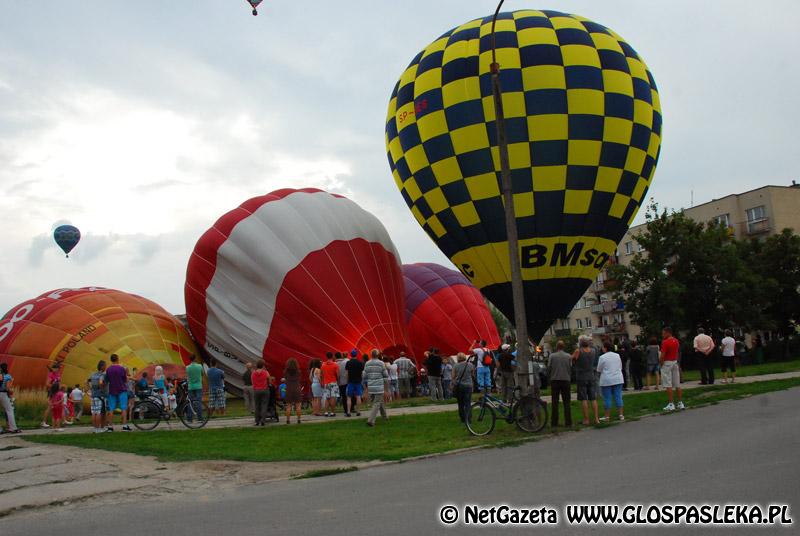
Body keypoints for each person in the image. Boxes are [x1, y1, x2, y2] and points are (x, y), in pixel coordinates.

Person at [572, 336, 599, 425]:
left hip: (581, 377)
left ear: (580, 343)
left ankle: (586, 420)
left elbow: (572, 359)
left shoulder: (578, 351)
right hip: (591, 376)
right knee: (593, 398)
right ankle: (596, 419)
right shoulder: (593, 351)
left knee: (584, 399)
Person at [596, 340, 624, 422]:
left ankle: (607, 417)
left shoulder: (602, 357)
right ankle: (621, 415)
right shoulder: (617, 355)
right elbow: (620, 366)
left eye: (603, 347)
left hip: (607, 379)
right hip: (618, 378)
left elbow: (599, 369)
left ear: (605, 348)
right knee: (618, 396)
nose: (602, 348)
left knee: (607, 398)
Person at [547, 340, 573, 428]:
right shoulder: (568, 356)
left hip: (555, 380)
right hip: (566, 380)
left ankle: (554, 423)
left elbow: (549, 367)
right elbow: (570, 367)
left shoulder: (552, 356)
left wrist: (550, 376)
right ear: (564, 347)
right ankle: (568, 422)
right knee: (567, 402)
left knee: (555, 402)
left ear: (556, 347)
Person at [660, 327, 685, 411]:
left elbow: (663, 355)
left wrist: (661, 363)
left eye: (663, 333)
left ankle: (671, 404)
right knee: (677, 384)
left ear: (668, 333)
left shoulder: (665, 342)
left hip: (667, 363)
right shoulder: (676, 341)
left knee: (668, 384)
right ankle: (680, 403)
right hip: (675, 362)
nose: (662, 335)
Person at [105, 354, 131, 431]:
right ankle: (125, 426)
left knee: (111, 408)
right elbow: (125, 380)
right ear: (117, 359)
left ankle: (110, 427)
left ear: (111, 360)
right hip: (122, 389)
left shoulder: (108, 369)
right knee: (123, 408)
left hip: (112, 390)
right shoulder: (121, 369)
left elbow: (107, 380)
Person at [364, 349, 388, 427]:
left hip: (371, 386)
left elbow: (364, 375)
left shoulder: (367, 363)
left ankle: (385, 417)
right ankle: (371, 420)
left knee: (379, 401)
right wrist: (386, 388)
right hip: (379, 386)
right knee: (377, 403)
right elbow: (385, 375)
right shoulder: (381, 363)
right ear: (378, 355)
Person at [452, 352, 474, 423]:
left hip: (459, 386)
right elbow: (472, 374)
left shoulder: (455, 366)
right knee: (468, 402)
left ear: (458, 358)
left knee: (460, 403)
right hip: (468, 385)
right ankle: (469, 418)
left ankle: (462, 419)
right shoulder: (470, 365)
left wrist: (454, 383)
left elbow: (453, 376)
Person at [0, 363, 21, 434]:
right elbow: (7, 388)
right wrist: (11, 392)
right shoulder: (8, 376)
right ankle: (13, 428)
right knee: (9, 410)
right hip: (3, 394)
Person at [40, 361, 62, 428]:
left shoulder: (58, 374)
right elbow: (47, 384)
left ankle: (55, 422)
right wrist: (54, 386)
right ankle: (43, 422)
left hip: (56, 392)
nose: (56, 369)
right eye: (55, 368)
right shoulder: (51, 375)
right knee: (49, 407)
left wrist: (59, 388)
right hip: (51, 392)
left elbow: (59, 382)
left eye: (57, 368)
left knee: (55, 407)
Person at [185, 354, 205, 422]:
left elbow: (187, 376)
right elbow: (202, 374)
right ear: (195, 359)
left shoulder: (187, 367)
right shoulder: (199, 366)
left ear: (190, 359)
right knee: (199, 402)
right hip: (198, 386)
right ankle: (200, 418)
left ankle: (189, 419)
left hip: (191, 386)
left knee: (190, 403)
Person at [88, 360, 108, 433]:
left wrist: (90, 389)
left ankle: (95, 428)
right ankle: (99, 429)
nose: (106, 367)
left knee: (94, 412)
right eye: (105, 365)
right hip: (100, 395)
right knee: (100, 412)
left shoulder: (93, 374)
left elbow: (86, 381)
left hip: (93, 395)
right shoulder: (102, 375)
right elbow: (100, 382)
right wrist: (102, 389)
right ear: (102, 366)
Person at [345, 351, 364, 417]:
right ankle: (358, 411)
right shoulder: (360, 363)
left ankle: (348, 412)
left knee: (349, 397)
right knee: (358, 396)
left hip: (350, 382)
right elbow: (361, 373)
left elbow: (347, 373)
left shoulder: (348, 363)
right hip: (358, 382)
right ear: (356, 355)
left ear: (351, 355)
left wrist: (347, 381)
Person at [283, 358, 302, 424]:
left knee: (288, 406)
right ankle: (299, 420)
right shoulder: (298, 372)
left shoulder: (285, 372)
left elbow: (285, 379)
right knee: (298, 405)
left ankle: (288, 420)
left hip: (288, 389)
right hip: (297, 388)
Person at [320, 352, 340, 417]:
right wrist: (338, 381)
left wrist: (322, 382)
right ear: (332, 356)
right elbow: (338, 375)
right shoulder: (335, 365)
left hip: (326, 383)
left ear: (326, 356)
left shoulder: (323, 365)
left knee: (327, 398)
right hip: (333, 383)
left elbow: (321, 375)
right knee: (333, 398)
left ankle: (326, 412)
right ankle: (332, 412)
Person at [251, 359, 270, 426]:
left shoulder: (253, 373)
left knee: (257, 406)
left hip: (256, 390)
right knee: (264, 405)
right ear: (263, 365)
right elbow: (269, 380)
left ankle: (257, 421)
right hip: (264, 390)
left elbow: (252, 382)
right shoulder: (265, 372)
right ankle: (263, 420)